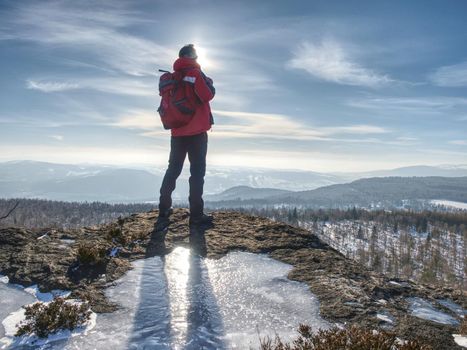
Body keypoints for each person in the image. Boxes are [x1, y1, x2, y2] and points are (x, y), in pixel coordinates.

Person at [155, 44, 215, 232]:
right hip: (197, 133)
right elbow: (208, 94)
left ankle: (164, 209)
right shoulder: (196, 74)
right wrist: (206, 80)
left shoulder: (172, 77)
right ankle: (196, 216)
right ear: (192, 57)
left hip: (177, 133)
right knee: (197, 173)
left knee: (173, 169)